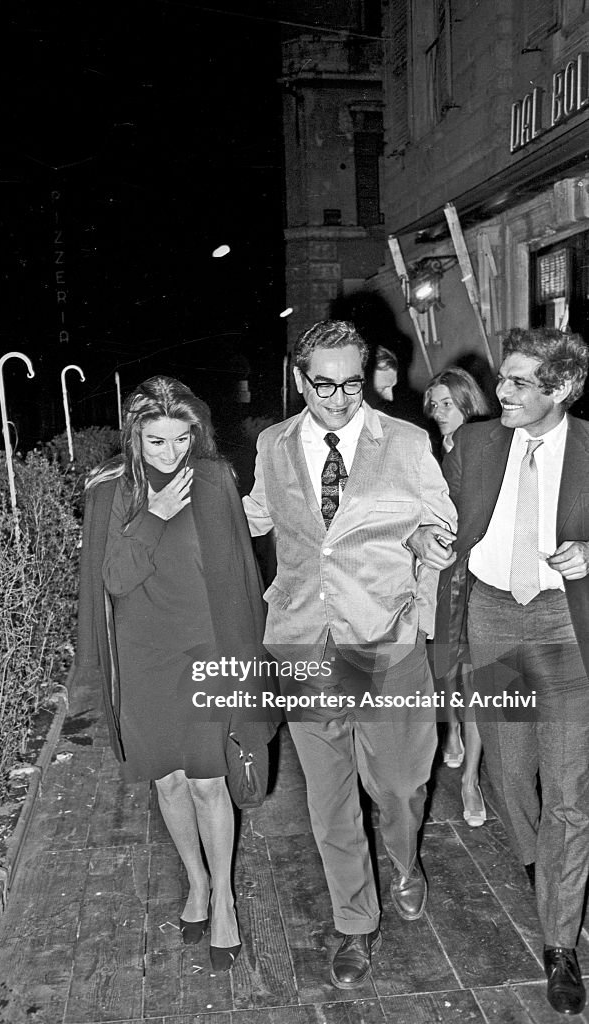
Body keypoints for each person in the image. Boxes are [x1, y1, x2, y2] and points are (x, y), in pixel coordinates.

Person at [243, 320, 457, 990]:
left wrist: (428, 545)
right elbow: (253, 515)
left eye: (351, 383)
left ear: (366, 377)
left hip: (384, 641)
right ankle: (354, 922)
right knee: (330, 796)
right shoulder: (274, 444)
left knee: (398, 785)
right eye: (322, 383)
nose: (337, 397)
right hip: (308, 641)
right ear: (299, 376)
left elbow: (437, 518)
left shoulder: (407, 441)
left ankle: (403, 861)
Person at [75, 375, 274, 973]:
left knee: (211, 780)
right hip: (143, 656)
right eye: (156, 442)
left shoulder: (214, 480)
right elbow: (113, 579)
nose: (170, 454)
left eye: (181, 440)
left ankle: (225, 901)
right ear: (135, 437)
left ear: (197, 434)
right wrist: (154, 515)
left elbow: (242, 578)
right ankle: (196, 883)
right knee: (168, 781)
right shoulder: (110, 489)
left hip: (205, 647)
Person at [434, 327, 589, 1016]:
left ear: (562, 388)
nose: (502, 391)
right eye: (503, 378)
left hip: (561, 626)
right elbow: (432, 512)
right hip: (493, 618)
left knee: (567, 793)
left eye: (520, 382)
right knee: (507, 776)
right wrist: (421, 535)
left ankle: (559, 943)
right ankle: (544, 868)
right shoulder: (474, 443)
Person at [423, 367, 491, 829]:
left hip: (478, 575)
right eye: (435, 404)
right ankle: (450, 735)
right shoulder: (431, 451)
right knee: (445, 666)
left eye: (448, 403)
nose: (439, 412)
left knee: (478, 679)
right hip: (443, 577)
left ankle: (470, 780)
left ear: (468, 403)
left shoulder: (486, 446)